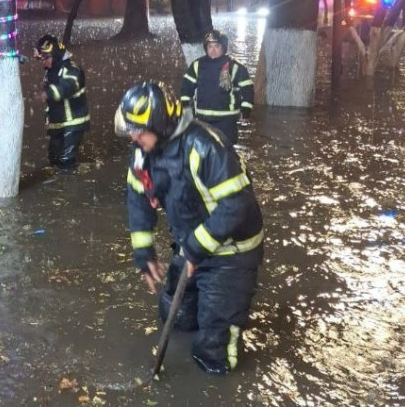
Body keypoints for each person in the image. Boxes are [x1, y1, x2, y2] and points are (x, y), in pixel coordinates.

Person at [114, 81, 264, 375]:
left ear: (160, 125)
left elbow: (236, 206)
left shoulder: (204, 147)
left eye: (138, 130)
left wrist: (196, 250)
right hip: (193, 242)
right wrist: (144, 252)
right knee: (175, 314)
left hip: (232, 252)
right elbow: (137, 199)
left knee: (214, 347)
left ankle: (218, 363)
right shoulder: (143, 153)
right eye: (130, 130)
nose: (132, 137)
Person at [179, 29, 254, 145]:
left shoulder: (235, 66)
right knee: (204, 152)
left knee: (226, 153)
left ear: (223, 47)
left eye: (217, 46)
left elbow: (247, 89)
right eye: (210, 46)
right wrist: (186, 109)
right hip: (203, 119)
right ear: (206, 48)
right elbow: (186, 88)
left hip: (227, 120)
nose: (213, 50)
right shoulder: (197, 65)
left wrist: (246, 111)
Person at [34, 34, 90, 171]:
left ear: (56, 56)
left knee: (66, 161)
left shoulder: (72, 69)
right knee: (53, 158)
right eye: (42, 59)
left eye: (46, 58)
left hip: (72, 123)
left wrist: (49, 93)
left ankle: (69, 185)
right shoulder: (52, 71)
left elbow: (68, 86)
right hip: (58, 124)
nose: (44, 62)